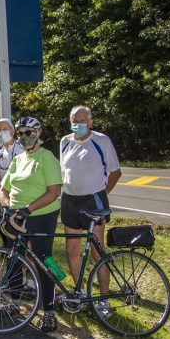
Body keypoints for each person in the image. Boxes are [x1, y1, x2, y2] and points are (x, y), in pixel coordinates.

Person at [0, 116, 62, 333]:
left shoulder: (47, 157)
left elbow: (54, 192)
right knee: (14, 258)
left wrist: (29, 209)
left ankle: (49, 311)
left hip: (41, 214)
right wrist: (7, 206)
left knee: (43, 260)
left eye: (28, 132)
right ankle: (14, 301)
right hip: (15, 216)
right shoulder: (18, 159)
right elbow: (3, 188)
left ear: (38, 133)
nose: (24, 137)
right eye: (20, 134)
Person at [59, 105, 122, 318]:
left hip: (93, 201)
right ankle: (80, 295)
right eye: (74, 121)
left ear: (91, 121)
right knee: (72, 250)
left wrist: (102, 192)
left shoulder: (101, 140)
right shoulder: (65, 141)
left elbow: (115, 172)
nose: (78, 124)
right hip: (69, 201)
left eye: (82, 121)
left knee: (97, 252)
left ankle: (103, 300)